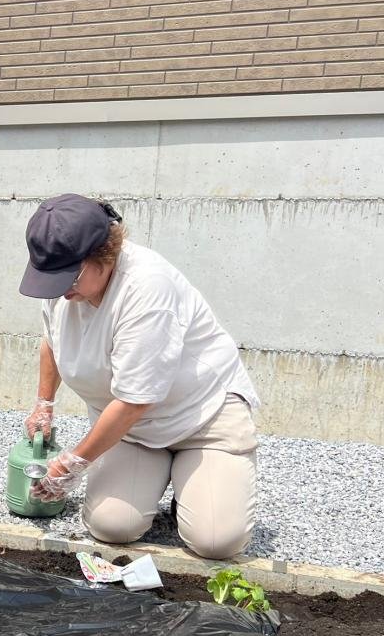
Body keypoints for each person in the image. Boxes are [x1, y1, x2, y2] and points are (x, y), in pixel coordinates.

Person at [19, 194, 259, 560]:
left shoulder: (147, 289)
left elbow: (135, 401)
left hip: (201, 419)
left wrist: (72, 465)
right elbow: (51, 342)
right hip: (132, 433)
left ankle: (193, 483)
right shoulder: (62, 285)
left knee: (215, 541)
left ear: (103, 255)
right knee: (111, 526)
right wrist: (44, 404)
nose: (60, 289)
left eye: (69, 277)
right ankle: (160, 471)